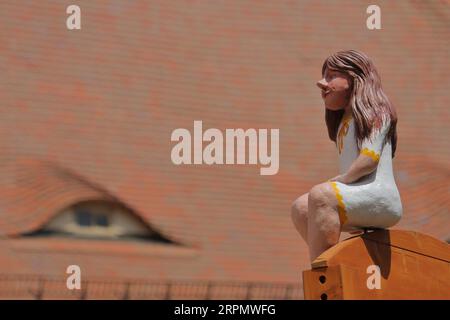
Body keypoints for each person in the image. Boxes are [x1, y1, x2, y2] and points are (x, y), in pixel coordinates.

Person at [291, 50, 402, 263]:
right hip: (357, 193)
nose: (322, 83)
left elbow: (369, 159)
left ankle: (326, 270)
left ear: (354, 78)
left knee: (322, 195)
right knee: (301, 207)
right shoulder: (344, 120)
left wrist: (342, 179)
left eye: (331, 76)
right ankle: (330, 262)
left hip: (380, 196)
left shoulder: (376, 112)